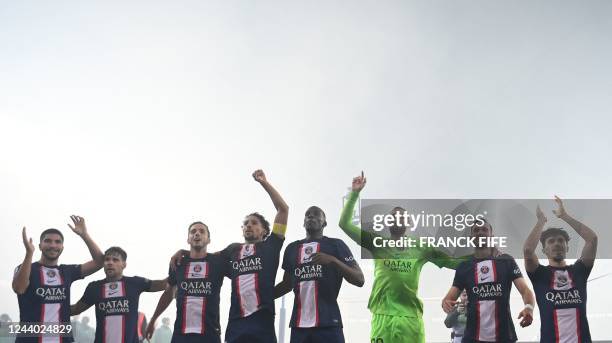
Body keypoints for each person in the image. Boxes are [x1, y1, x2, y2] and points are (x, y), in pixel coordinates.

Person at [339, 172, 464, 343]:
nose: (397, 219)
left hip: (410, 319)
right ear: (388, 222)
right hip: (382, 317)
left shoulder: (421, 247)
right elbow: (344, 224)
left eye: (401, 217)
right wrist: (354, 193)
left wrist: (486, 255)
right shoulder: (377, 243)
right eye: (393, 217)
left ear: (408, 223)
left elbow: (455, 262)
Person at [274, 206, 364, 342]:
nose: (311, 216)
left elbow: (359, 279)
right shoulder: (292, 249)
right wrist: (261, 297)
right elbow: (287, 285)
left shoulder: (336, 245)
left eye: (316, 214)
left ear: (324, 223)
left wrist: (333, 260)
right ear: (303, 222)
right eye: (307, 214)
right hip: (299, 327)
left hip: (328, 323)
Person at [12, 216, 104, 343]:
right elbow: (19, 288)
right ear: (40, 245)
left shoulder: (67, 271)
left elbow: (99, 262)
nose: (53, 245)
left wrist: (84, 235)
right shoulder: (26, 268)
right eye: (48, 241)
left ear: (62, 247)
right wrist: (29, 253)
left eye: (57, 242)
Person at [221, 169, 289, 343]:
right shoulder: (233, 251)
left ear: (264, 230)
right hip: (235, 324)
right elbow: (206, 258)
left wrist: (264, 182)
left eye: (254, 223)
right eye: (245, 224)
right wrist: (183, 252)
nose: (248, 226)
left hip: (262, 323)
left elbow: (283, 209)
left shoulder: (271, 246)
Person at [442, 220, 535, 343]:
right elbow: (449, 298)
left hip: (504, 336)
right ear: (471, 238)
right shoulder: (464, 267)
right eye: (476, 230)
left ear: (491, 235)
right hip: (472, 337)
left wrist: (529, 307)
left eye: (484, 230)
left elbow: (525, 290)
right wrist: (445, 303)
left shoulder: (506, 261)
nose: (480, 232)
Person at [523, 197, 597, 343]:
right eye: (551, 241)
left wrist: (564, 216)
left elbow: (592, 239)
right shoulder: (540, 275)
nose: (556, 243)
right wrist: (541, 221)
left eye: (560, 240)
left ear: (567, 247)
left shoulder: (579, 271)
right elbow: (527, 250)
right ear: (544, 250)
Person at [146, 222, 226, 343]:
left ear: (208, 240)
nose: (197, 233)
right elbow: (168, 293)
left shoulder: (218, 263)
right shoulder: (178, 263)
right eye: (193, 232)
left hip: (210, 334)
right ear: (188, 239)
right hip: (181, 334)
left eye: (201, 231)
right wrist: (153, 320)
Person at [70, 247, 168, 343]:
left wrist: (179, 268)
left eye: (115, 260)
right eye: (107, 260)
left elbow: (162, 284)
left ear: (124, 264)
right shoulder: (94, 287)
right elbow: (76, 309)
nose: (110, 262)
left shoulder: (134, 283)